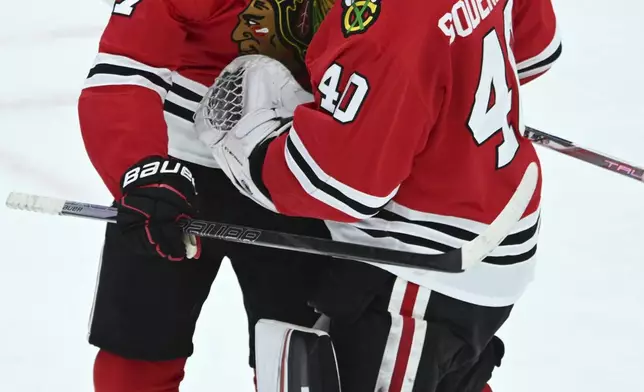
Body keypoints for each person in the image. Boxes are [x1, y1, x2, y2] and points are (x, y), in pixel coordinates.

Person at [198, 0, 562, 390]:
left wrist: (256, 155)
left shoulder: (380, 23)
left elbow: (342, 185)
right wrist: (444, 91)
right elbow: (535, 49)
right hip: (494, 238)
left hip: (419, 273)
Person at [77, 0, 336, 391]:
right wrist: (142, 171)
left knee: (302, 362)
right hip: (177, 172)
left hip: (299, 164)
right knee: (135, 357)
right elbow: (127, 66)